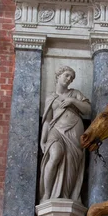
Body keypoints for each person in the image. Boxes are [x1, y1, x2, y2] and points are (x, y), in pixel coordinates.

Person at [39, 66, 91, 203]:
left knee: (71, 163)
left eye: (71, 78)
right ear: (58, 75)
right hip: (56, 130)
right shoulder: (50, 98)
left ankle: (66, 195)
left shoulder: (75, 93)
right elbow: (47, 120)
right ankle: (47, 194)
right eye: (67, 75)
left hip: (74, 131)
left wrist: (73, 101)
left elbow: (88, 109)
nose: (69, 79)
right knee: (55, 155)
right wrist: (42, 140)